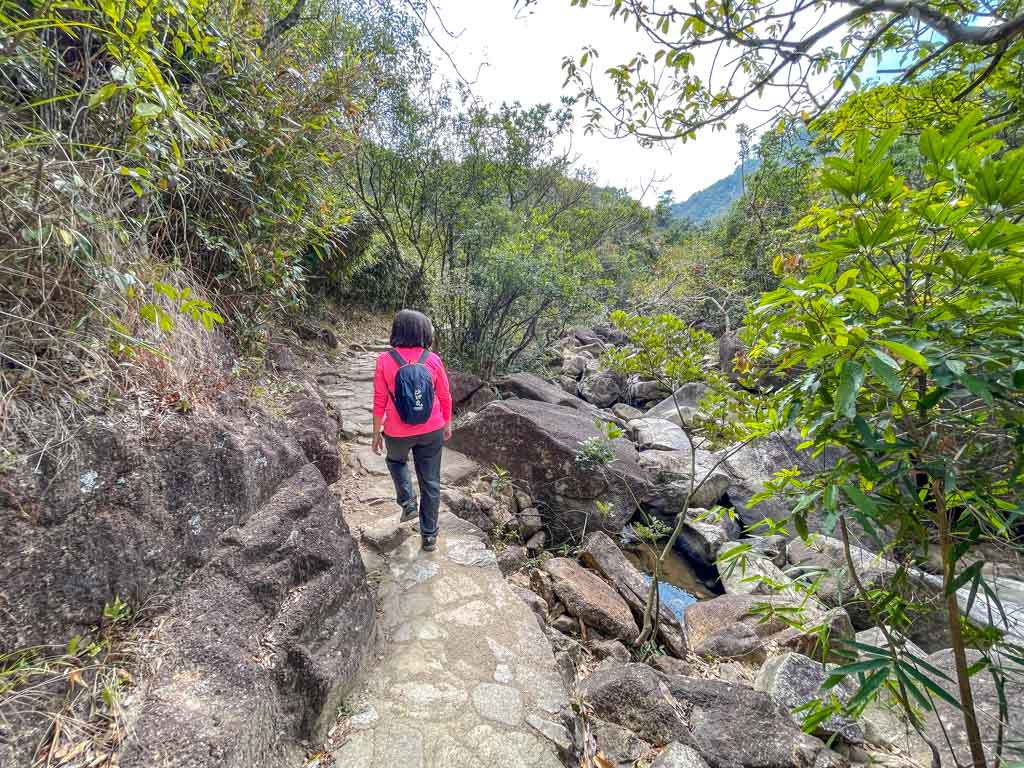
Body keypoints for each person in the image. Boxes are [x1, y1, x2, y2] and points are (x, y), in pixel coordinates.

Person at [372, 309, 452, 552]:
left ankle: (407, 502)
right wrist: (447, 423)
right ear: (424, 332)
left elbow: (379, 401)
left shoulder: (385, 360)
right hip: (432, 429)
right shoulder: (433, 359)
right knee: (431, 482)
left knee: (396, 461)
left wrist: (376, 433)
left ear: (397, 331)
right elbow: (445, 396)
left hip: (397, 431)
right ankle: (429, 537)